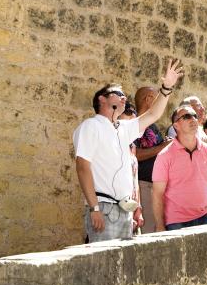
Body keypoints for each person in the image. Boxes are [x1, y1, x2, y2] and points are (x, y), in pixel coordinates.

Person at [73, 58, 183, 242]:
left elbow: (154, 114)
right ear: (101, 99)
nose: (124, 96)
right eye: (117, 93)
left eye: (124, 94)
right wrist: (94, 209)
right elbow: (82, 167)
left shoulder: (123, 128)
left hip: (125, 211)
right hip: (104, 207)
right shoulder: (91, 126)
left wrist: (166, 88)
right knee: (104, 267)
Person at [151, 106, 207, 231]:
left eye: (194, 116)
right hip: (175, 222)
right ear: (176, 126)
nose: (193, 119)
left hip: (205, 218)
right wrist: (159, 224)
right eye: (186, 116)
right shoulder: (165, 155)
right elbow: (157, 193)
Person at [132, 86, 173, 234]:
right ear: (149, 99)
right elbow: (134, 155)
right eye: (158, 99)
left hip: (157, 186)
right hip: (143, 186)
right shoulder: (133, 124)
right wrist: (162, 146)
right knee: (148, 230)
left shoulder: (153, 126)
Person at [118, 102, 144, 233]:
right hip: (117, 208)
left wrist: (138, 209)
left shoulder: (132, 146)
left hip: (131, 207)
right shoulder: (112, 143)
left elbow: (135, 180)